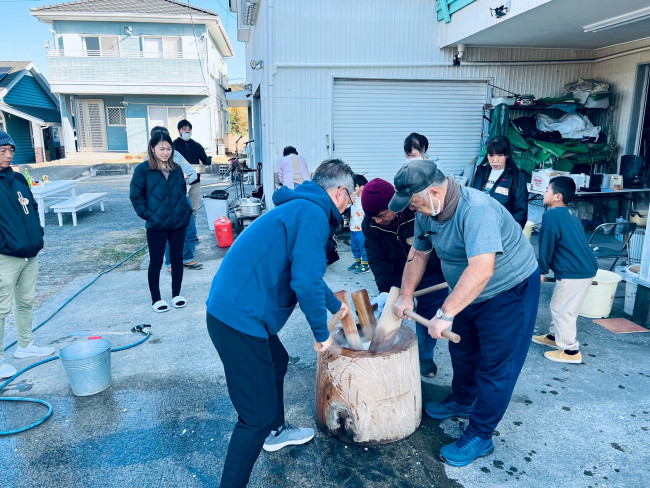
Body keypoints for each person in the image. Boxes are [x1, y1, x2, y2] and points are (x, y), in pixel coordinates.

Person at [205, 159, 353, 488]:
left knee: (278, 360)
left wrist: (335, 305)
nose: (348, 207)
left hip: (233, 309)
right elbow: (304, 282)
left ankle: (276, 430)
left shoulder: (302, 207)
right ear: (340, 192)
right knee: (253, 418)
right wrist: (322, 335)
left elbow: (305, 272)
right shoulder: (313, 215)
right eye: (350, 198)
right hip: (239, 319)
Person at [390, 159, 540, 467]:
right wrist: (405, 295)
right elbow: (418, 253)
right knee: (463, 351)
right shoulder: (427, 212)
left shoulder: (476, 210)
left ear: (434, 192)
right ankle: (463, 399)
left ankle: (480, 434)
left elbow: (482, 270)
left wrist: (445, 313)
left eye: (414, 203)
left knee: (496, 367)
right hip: (466, 289)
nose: (412, 209)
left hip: (508, 289)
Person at [361, 177, 447, 377]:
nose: (377, 221)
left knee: (427, 314)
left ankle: (425, 356)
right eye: (372, 217)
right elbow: (377, 258)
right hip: (397, 274)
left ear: (395, 205)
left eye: (381, 215)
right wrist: (385, 290)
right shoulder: (370, 224)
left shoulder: (416, 211)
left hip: (431, 271)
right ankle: (385, 354)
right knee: (392, 311)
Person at [0, 130, 55, 379]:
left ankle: (25, 344)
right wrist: (5, 243)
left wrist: (37, 232)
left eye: (10, 150)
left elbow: (31, 205)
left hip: (29, 253)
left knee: (26, 301)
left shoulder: (19, 179)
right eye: (3, 151)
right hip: (6, 256)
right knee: (1, 308)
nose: (8, 155)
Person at [532, 176, 598, 364]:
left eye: (547, 190)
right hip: (584, 268)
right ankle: (554, 337)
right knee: (563, 305)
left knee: (562, 309)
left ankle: (570, 350)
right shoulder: (570, 214)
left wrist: (541, 270)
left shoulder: (551, 216)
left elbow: (547, 245)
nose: (543, 193)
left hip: (573, 271)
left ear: (557, 196)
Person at [130, 131, 192, 313]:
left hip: (178, 223)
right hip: (156, 224)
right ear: (152, 148)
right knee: (156, 261)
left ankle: (176, 294)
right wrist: (147, 214)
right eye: (161, 148)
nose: (165, 152)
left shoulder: (176, 168)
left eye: (168, 149)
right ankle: (156, 299)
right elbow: (136, 195)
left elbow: (182, 193)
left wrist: (185, 212)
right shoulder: (143, 170)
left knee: (177, 259)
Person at [147, 126, 203, 272]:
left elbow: (192, 174)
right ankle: (170, 262)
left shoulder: (176, 155)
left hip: (182, 198)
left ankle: (187, 258)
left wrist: (182, 180)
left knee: (190, 229)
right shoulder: (148, 162)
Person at [471, 135, 528, 229]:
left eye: (500, 155)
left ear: (507, 155)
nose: (495, 160)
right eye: (491, 155)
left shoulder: (516, 176)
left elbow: (520, 210)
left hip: (502, 228)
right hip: (479, 225)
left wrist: (513, 232)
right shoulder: (481, 173)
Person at [173, 119, 211, 223]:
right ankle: (181, 231)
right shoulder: (173, 146)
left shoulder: (197, 146)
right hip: (179, 182)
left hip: (195, 182)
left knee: (193, 210)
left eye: (189, 130)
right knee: (179, 209)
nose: (187, 131)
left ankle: (192, 231)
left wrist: (208, 160)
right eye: (184, 129)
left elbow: (204, 160)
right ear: (179, 130)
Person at [348, 174, 369, 274]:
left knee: (363, 247)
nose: (352, 188)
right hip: (353, 228)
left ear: (362, 187)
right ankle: (358, 262)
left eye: (354, 186)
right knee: (354, 247)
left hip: (361, 229)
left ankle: (365, 265)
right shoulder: (353, 198)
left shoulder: (366, 200)